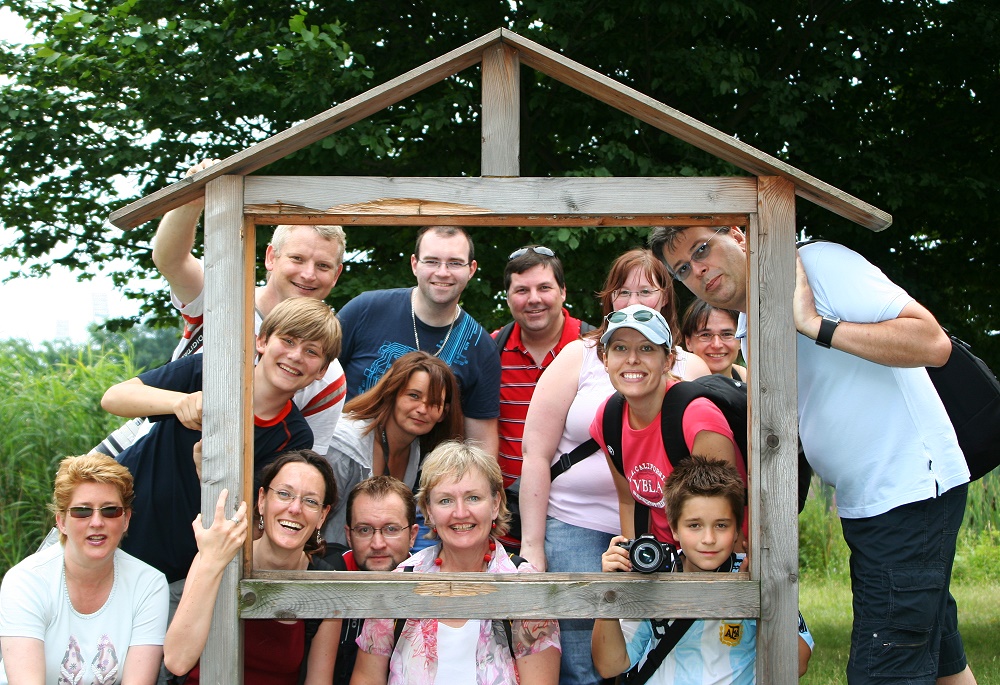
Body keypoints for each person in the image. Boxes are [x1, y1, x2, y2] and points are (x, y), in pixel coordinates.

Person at [650, 226, 975, 684]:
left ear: (739, 235)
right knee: (942, 659)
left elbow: (932, 343)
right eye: (683, 268)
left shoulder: (817, 266)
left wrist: (815, 325)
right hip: (871, 503)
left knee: (883, 669)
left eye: (702, 249)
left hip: (908, 491)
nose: (698, 271)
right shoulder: (749, 324)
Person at [518, 249, 709, 685]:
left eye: (646, 289)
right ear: (609, 301)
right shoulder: (577, 357)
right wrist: (532, 546)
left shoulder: (689, 367)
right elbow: (536, 455)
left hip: (661, 530)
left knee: (652, 648)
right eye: (623, 291)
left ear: (666, 298)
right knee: (582, 661)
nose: (634, 300)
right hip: (574, 525)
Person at [101, 297, 340, 584]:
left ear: (322, 371)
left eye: (311, 351)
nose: (296, 355)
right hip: (108, 523)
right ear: (262, 341)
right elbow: (114, 398)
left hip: (175, 569)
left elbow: (254, 518)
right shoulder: (210, 372)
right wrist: (180, 402)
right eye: (288, 340)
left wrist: (210, 474)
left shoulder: (294, 436)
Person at [145, 158, 348, 457]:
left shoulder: (328, 376)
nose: (308, 274)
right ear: (270, 257)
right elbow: (170, 260)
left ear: (336, 275)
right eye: (297, 259)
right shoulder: (223, 297)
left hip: (221, 489)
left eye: (322, 265)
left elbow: (303, 462)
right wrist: (193, 198)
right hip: (147, 449)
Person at [351, 440, 561, 685]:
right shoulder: (401, 580)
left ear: (495, 504)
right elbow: (367, 677)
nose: (460, 513)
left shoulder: (526, 587)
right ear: (428, 510)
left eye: (473, 498)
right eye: (446, 500)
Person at [592, 456, 813, 683]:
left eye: (721, 525)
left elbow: (797, 663)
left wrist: (763, 596)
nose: (708, 539)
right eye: (694, 525)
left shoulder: (753, 576)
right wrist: (609, 590)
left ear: (737, 530)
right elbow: (610, 666)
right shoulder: (654, 576)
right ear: (674, 529)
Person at [164, 450, 341, 684]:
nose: (295, 508)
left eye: (310, 501)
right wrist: (212, 563)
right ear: (262, 500)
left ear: (322, 515)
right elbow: (177, 661)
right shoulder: (218, 554)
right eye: (284, 494)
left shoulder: (325, 584)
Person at [0, 453, 169, 684]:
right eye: (82, 511)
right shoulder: (25, 581)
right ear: (61, 521)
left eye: (110, 511)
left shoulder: (149, 585)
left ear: (126, 519)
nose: (97, 522)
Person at [336, 225, 501, 456]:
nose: (443, 272)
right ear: (415, 264)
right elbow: (314, 379)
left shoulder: (481, 347)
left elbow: (481, 445)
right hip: (342, 463)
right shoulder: (365, 310)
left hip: (419, 483)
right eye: (432, 261)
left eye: (455, 263)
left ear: (471, 269)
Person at [590, 304, 746, 546]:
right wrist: (634, 559)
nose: (632, 359)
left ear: (668, 361)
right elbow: (628, 501)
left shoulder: (698, 419)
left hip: (713, 553)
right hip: (665, 557)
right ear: (606, 359)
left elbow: (725, 512)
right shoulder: (608, 418)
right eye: (620, 348)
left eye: (646, 349)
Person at [322, 351, 463, 547]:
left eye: (433, 402)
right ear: (392, 394)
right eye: (414, 396)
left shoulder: (418, 451)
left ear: (443, 413)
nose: (422, 409)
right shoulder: (342, 445)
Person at [331, 476, 420, 684]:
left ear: (413, 535)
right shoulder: (328, 576)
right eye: (364, 530)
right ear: (348, 535)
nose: (377, 543)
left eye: (391, 529)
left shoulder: (429, 583)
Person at [680, 299, 747, 381]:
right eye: (705, 335)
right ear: (688, 342)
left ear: (741, 340)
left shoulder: (748, 380)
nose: (716, 345)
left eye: (727, 334)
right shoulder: (678, 386)